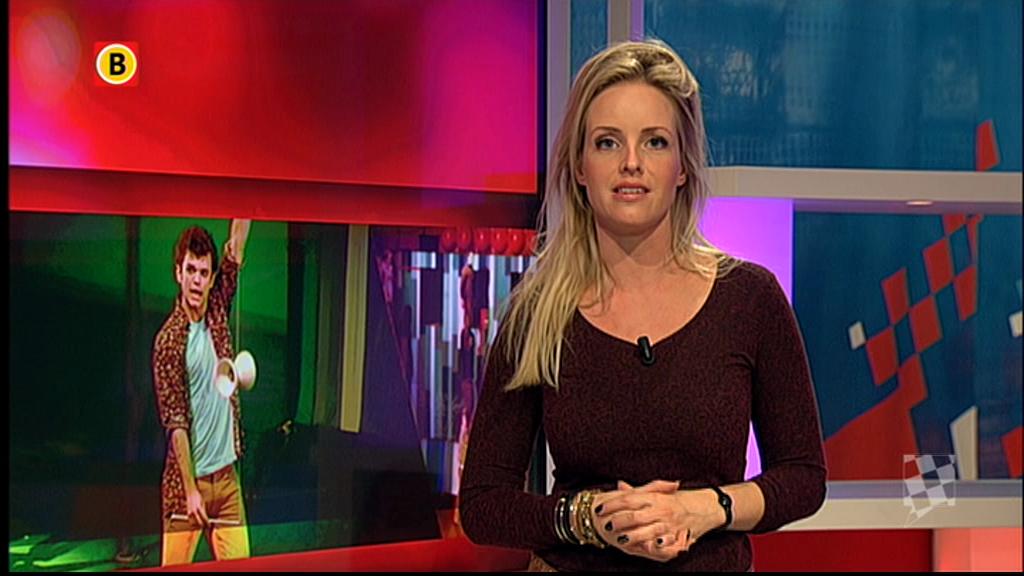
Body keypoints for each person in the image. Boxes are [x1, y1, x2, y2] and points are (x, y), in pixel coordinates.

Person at [458, 40, 826, 572]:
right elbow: (483, 504)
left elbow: (803, 477)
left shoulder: (750, 299)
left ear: (682, 166)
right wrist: (588, 518)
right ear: (579, 167)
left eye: (654, 142)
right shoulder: (537, 313)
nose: (631, 163)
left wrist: (702, 509)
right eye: (608, 143)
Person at [152, 219, 252, 566]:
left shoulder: (218, 309)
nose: (197, 280)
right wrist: (191, 490)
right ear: (178, 273)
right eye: (190, 270)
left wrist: (252, 196)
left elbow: (236, 247)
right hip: (187, 488)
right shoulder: (168, 341)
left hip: (226, 481)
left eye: (204, 273)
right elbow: (175, 422)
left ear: (212, 279)